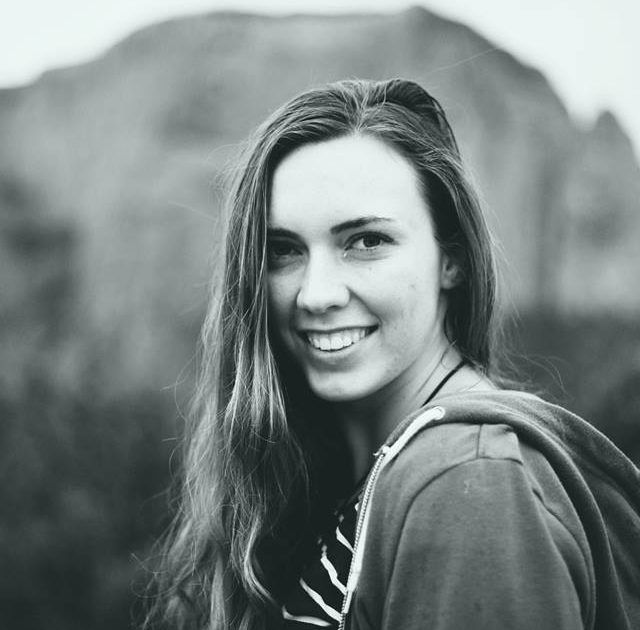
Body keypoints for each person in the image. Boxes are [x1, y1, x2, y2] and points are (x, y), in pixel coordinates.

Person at [146, 79, 640, 630]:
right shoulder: (357, 478)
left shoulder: (469, 482)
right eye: (283, 251)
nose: (316, 294)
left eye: (366, 241)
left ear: (452, 258)